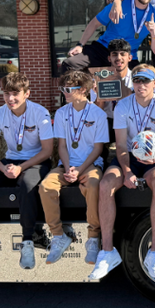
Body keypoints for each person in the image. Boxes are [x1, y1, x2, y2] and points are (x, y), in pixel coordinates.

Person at [88, 64, 155, 282]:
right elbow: (119, 145)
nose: (141, 85)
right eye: (137, 80)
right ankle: (108, 252)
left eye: (146, 81)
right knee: (106, 184)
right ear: (133, 83)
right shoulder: (122, 106)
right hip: (129, 157)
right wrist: (127, 172)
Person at [38, 71, 108, 267]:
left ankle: (93, 238)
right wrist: (69, 168)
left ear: (83, 90)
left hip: (90, 165)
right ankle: (59, 236)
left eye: (68, 89)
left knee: (94, 185)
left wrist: (79, 170)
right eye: (63, 88)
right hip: (66, 165)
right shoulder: (61, 113)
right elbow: (61, 146)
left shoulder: (98, 114)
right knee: (45, 187)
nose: (64, 92)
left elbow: (98, 148)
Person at [0, 72, 54, 269]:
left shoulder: (39, 112)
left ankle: (28, 240)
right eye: (7, 93)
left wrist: (20, 168)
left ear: (27, 94)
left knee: (27, 184)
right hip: (10, 161)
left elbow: (48, 150)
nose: (10, 99)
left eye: (16, 93)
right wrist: (3, 167)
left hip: (36, 161)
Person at [66, 0, 155, 69]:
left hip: (128, 56)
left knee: (141, 78)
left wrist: (153, 33)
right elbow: (94, 23)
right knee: (70, 64)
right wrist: (80, 45)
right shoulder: (119, 5)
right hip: (103, 49)